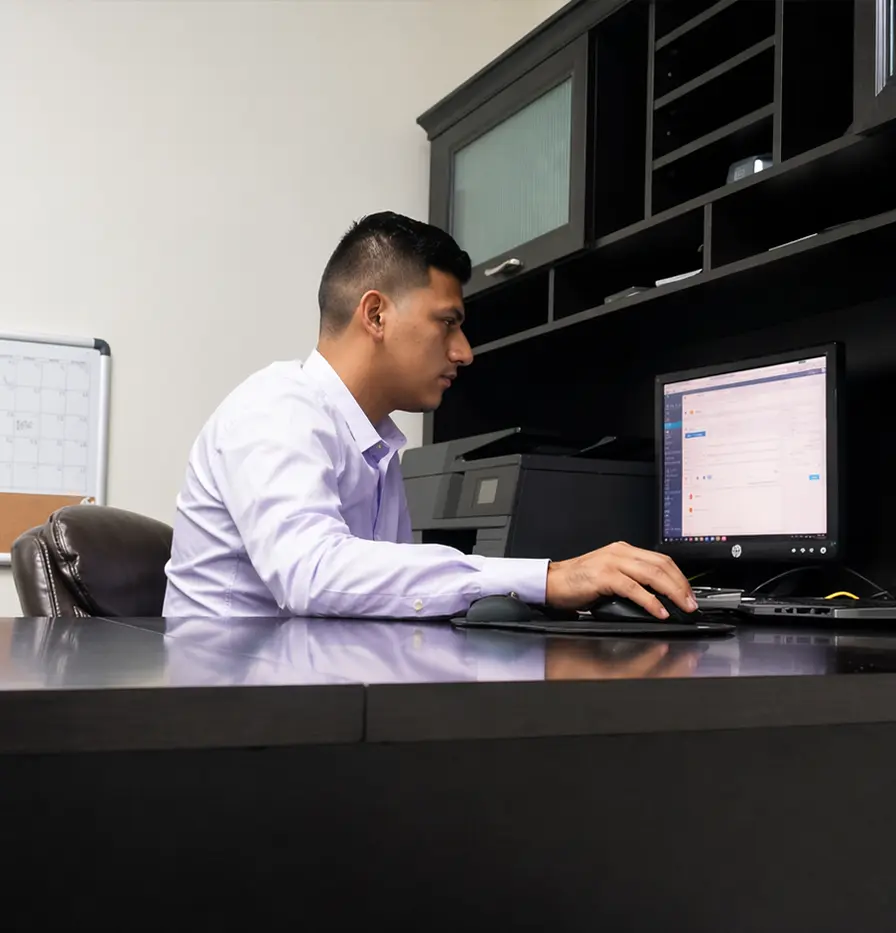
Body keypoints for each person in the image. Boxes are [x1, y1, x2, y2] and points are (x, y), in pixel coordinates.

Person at [163, 211, 698, 620]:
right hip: (228, 721)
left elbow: (384, 598)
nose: (464, 351)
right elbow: (313, 572)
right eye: (448, 323)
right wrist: (551, 579)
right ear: (376, 314)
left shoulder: (373, 447)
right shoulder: (276, 408)